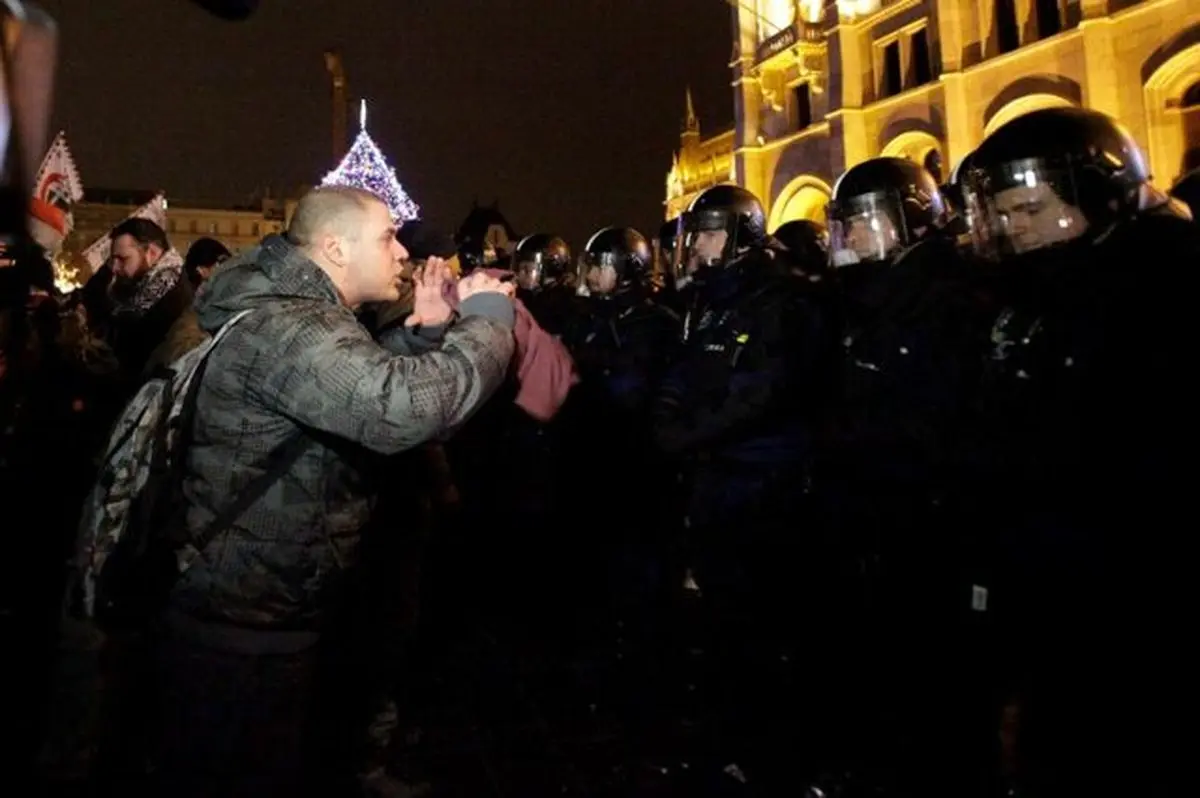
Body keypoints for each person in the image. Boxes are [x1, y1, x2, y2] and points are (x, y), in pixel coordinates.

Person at [147, 186, 516, 797]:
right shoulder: (294, 326)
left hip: (255, 607)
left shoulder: (297, 314)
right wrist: (487, 324)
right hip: (249, 623)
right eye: (386, 237)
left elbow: (338, 387)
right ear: (336, 248)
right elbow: (403, 410)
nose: (400, 252)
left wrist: (417, 338)